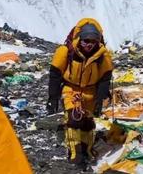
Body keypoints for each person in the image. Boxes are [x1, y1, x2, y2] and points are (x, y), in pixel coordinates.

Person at [47, 18, 113, 170]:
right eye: (85, 41)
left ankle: (87, 150)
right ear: (79, 39)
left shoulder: (103, 56)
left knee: (87, 123)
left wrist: (100, 98)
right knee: (73, 119)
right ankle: (75, 152)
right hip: (71, 89)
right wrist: (53, 97)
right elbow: (55, 75)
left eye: (93, 41)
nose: (89, 45)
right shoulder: (65, 52)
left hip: (91, 92)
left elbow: (105, 79)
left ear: (98, 41)